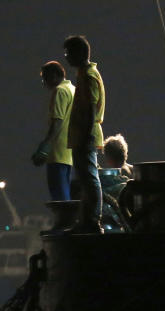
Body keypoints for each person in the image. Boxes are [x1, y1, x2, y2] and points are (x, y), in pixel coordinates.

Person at [64, 35, 105, 234]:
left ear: (80, 53)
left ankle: (93, 221)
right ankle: (86, 220)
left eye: (68, 53)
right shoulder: (84, 74)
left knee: (90, 180)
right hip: (82, 135)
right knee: (85, 180)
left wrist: (87, 135)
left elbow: (90, 108)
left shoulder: (88, 76)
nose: (66, 57)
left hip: (85, 136)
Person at [32, 61, 75, 201]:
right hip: (69, 153)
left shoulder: (60, 91)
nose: (44, 82)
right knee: (66, 193)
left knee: (59, 197)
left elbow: (57, 122)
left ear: (55, 75)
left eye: (45, 78)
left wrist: (44, 147)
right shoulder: (73, 90)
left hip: (57, 152)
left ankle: (65, 222)